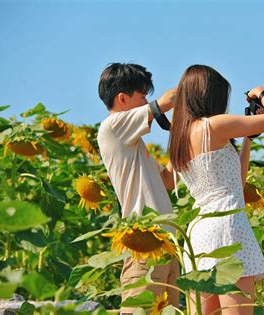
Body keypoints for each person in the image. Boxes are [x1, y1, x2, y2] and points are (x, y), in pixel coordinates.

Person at [168, 64, 264, 315]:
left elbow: (237, 182)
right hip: (228, 226)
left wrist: (248, 139)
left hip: (200, 232)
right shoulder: (212, 126)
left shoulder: (180, 137)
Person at [97, 63, 179, 314]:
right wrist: (199, 83)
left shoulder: (134, 144)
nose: (147, 101)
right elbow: (168, 100)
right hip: (144, 241)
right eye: (142, 96)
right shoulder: (112, 127)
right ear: (122, 98)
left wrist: (181, 138)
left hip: (165, 244)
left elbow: (167, 180)